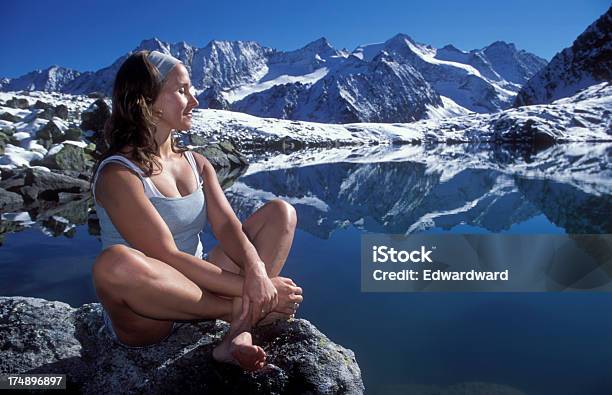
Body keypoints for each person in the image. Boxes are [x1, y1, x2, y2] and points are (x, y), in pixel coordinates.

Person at [90, 50, 303, 371]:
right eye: (182, 90)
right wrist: (261, 290)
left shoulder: (197, 163)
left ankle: (236, 334)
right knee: (115, 264)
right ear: (147, 101)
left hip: (198, 285)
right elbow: (166, 256)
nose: (194, 100)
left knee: (280, 212)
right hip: (149, 308)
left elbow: (228, 227)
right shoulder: (117, 174)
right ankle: (239, 312)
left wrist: (257, 271)